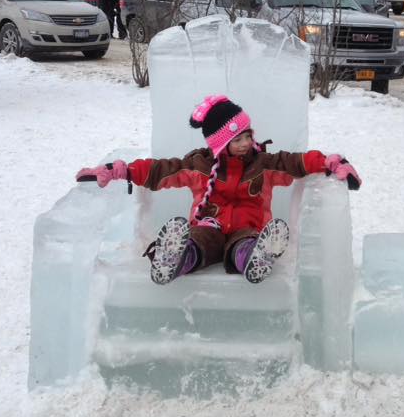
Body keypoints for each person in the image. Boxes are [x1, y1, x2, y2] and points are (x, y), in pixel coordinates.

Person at [75, 95, 361, 285]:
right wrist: (120, 170)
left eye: (248, 135)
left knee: (246, 242)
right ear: (220, 144)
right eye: (237, 139)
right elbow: (162, 170)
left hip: (248, 228)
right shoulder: (199, 165)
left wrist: (329, 162)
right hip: (208, 225)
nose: (246, 143)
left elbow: (296, 162)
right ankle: (175, 258)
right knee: (199, 239)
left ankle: (256, 258)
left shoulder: (264, 164)